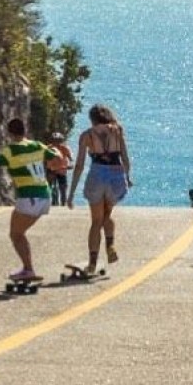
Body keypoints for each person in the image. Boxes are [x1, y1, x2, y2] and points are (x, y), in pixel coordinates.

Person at [0, 118, 61, 281]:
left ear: (9, 133)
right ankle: (28, 268)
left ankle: (28, 269)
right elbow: (57, 160)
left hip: (29, 196)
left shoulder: (11, 150)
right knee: (19, 233)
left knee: (16, 234)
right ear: (25, 130)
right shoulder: (37, 145)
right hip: (45, 195)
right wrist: (54, 156)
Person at [67, 104, 132, 273]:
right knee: (107, 215)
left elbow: (80, 165)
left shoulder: (86, 135)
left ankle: (92, 264)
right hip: (116, 175)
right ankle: (110, 246)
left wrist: (71, 193)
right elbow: (125, 158)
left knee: (96, 221)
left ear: (92, 119)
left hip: (97, 175)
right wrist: (127, 177)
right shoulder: (117, 131)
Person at [46, 132, 73, 206]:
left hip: (62, 170)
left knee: (63, 188)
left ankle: (63, 203)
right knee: (49, 187)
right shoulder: (48, 148)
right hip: (51, 170)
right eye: (54, 141)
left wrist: (70, 165)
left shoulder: (65, 148)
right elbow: (42, 158)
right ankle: (49, 202)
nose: (56, 143)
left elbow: (70, 159)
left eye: (58, 141)